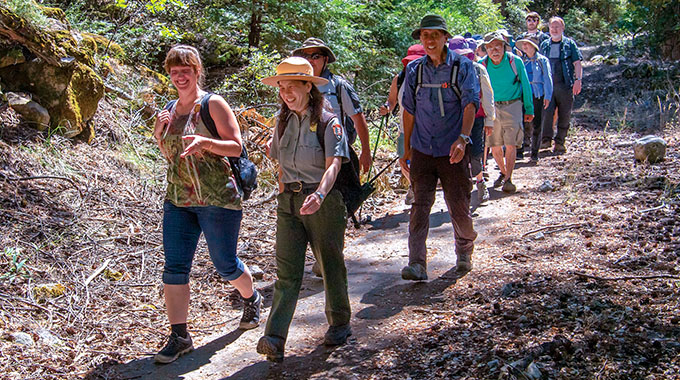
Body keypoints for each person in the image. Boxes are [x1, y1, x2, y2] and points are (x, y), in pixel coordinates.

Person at [152, 45, 261, 364]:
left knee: (225, 263)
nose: (179, 76)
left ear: (197, 71)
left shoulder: (213, 103)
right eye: (174, 72)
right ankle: (179, 335)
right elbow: (171, 155)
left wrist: (206, 142)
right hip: (178, 200)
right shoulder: (170, 108)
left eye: (185, 70)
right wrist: (159, 135)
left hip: (217, 199)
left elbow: (236, 146)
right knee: (174, 267)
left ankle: (252, 298)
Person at [257, 57, 352, 362]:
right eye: (281, 87)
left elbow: (334, 164)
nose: (285, 93)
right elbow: (278, 164)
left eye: (292, 86)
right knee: (287, 272)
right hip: (289, 203)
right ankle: (274, 338)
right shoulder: (282, 120)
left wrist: (320, 195)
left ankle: (339, 323)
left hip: (322, 202)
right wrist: (284, 197)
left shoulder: (328, 121)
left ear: (308, 87)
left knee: (330, 264)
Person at [399, 15, 480, 281]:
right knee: (420, 205)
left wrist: (463, 138)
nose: (430, 40)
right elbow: (408, 111)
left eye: (435, 35)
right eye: (425, 35)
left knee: (458, 205)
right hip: (423, 147)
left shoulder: (463, 67)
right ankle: (417, 263)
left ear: (446, 37)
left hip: (453, 149)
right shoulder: (415, 70)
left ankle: (465, 249)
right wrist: (405, 148)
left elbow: (470, 103)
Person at [292, 38, 372, 173]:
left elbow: (358, 118)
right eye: (305, 56)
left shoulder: (339, 86)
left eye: (316, 56)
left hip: (337, 153)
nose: (310, 61)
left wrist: (366, 151)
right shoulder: (295, 86)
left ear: (326, 60)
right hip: (304, 157)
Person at [482, 32, 534, 193]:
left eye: (497, 46)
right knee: (495, 145)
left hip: (513, 105)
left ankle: (508, 178)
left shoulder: (514, 61)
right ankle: (504, 173)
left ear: (504, 46)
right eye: (490, 47)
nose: (494, 50)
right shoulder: (483, 65)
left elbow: (525, 84)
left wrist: (529, 108)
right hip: (492, 108)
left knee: (511, 144)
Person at [379, 43, 426, 205]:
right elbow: (392, 101)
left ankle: (421, 190)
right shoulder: (399, 79)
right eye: (410, 62)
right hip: (405, 129)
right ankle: (415, 186)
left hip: (427, 130)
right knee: (403, 162)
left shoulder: (435, 77)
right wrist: (386, 108)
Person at [449, 36, 495, 203]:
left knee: (476, 153)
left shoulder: (477, 69)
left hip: (476, 118)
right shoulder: (445, 71)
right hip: (453, 120)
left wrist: (490, 120)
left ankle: (480, 183)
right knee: (456, 154)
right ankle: (461, 188)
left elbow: (488, 94)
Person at [539, 16, 583, 153]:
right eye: (552, 27)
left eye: (557, 27)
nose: (554, 29)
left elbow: (577, 63)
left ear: (562, 28)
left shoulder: (570, 44)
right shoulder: (544, 45)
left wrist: (578, 80)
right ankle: (545, 140)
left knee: (565, 114)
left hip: (565, 85)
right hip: (548, 87)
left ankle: (560, 142)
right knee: (546, 114)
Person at [516, 36, 552, 162]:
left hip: (537, 94)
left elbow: (547, 78)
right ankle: (519, 151)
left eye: (528, 44)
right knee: (520, 122)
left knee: (537, 124)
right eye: (524, 44)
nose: (525, 46)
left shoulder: (542, 61)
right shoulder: (520, 61)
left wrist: (547, 96)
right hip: (523, 94)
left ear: (534, 46)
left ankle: (534, 153)